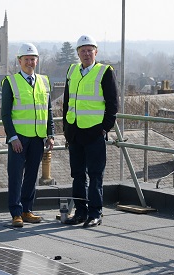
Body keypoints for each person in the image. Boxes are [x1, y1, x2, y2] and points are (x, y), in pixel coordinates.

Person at [63, 35, 119, 228]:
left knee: (95, 175)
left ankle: (95, 213)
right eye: (82, 50)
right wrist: (66, 128)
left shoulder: (104, 72)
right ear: (78, 53)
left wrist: (104, 129)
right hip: (75, 132)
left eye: (90, 50)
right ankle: (80, 212)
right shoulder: (72, 70)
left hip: (94, 133)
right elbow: (66, 102)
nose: (86, 54)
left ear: (96, 52)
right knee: (77, 175)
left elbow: (112, 105)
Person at [1, 43, 55, 228]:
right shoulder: (10, 82)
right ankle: (16, 213)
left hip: (38, 137)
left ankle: (27, 210)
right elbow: (6, 114)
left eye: (33, 59)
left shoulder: (44, 81)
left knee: (31, 176)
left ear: (37, 60)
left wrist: (50, 133)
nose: (30, 62)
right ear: (19, 61)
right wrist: (12, 137)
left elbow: (48, 110)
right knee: (15, 176)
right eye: (26, 59)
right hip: (19, 138)